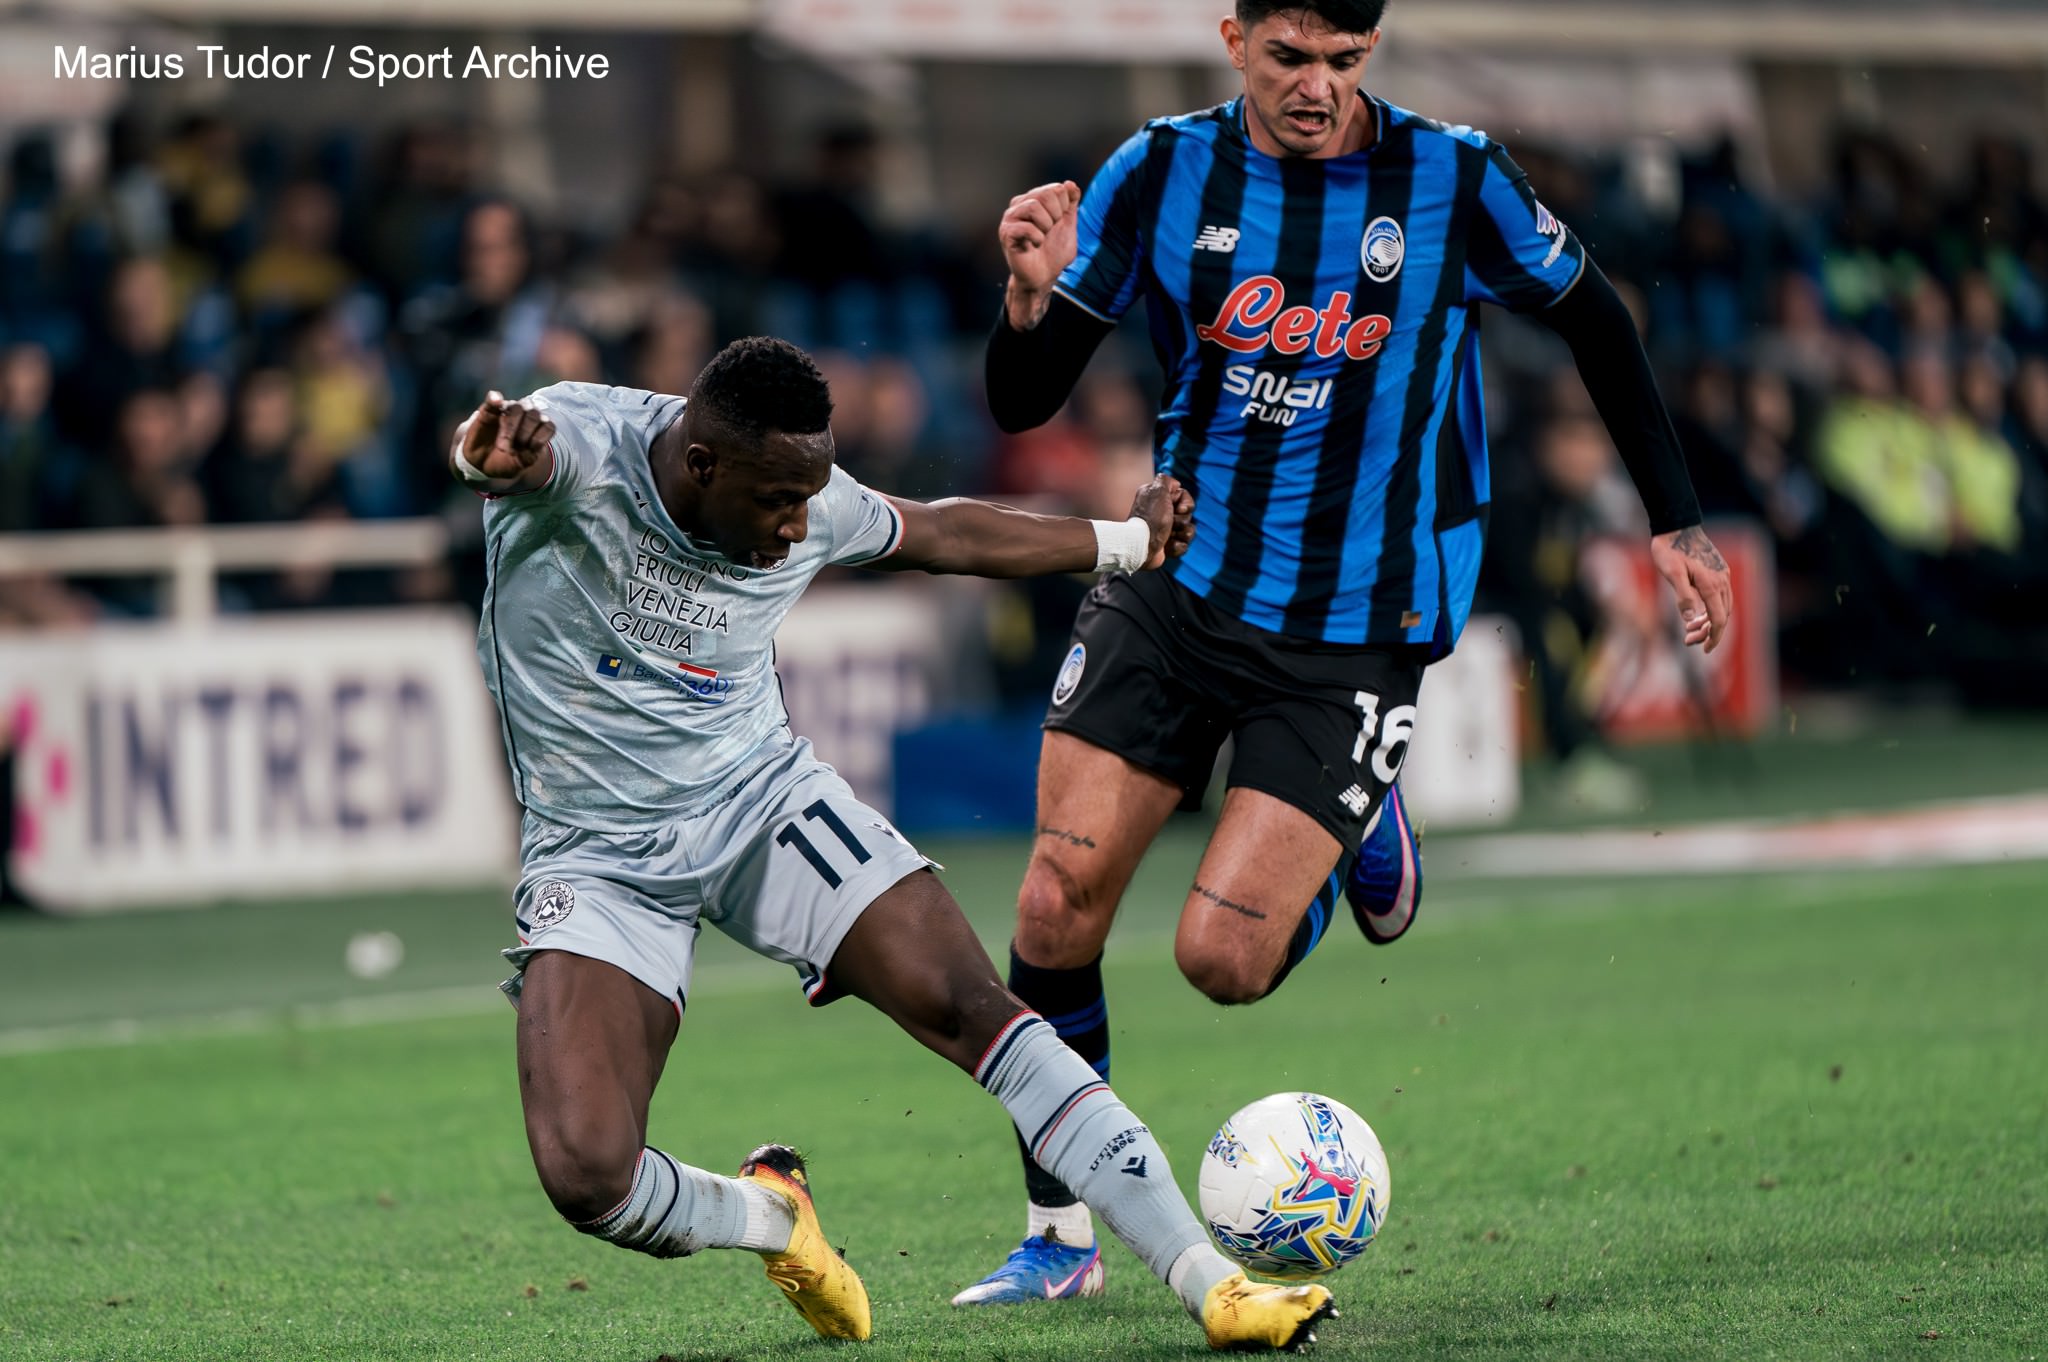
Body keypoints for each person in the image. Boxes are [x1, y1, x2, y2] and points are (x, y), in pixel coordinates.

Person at [956, 0, 1735, 1304]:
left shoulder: (1453, 175)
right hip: (1177, 582)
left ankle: (1360, 827)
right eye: (1290, 57)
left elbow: (1598, 318)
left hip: (1358, 626)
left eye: (1345, 61)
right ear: (1233, 37)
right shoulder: (1159, 168)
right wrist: (1028, 302)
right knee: (1050, 904)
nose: (1317, 86)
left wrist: (1677, 522)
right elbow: (1022, 398)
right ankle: (1059, 1234)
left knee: (1223, 963)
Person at [454, 335, 1338, 1352]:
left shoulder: (799, 494)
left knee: (974, 1006)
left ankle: (1211, 1283)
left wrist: (1126, 543)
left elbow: (940, 533)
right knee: (587, 1176)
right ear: (703, 466)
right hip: (596, 853)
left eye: (809, 499)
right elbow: (511, 452)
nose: (797, 530)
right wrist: (483, 462)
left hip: (758, 805)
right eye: (778, 503)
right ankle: (770, 1218)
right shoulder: (584, 449)